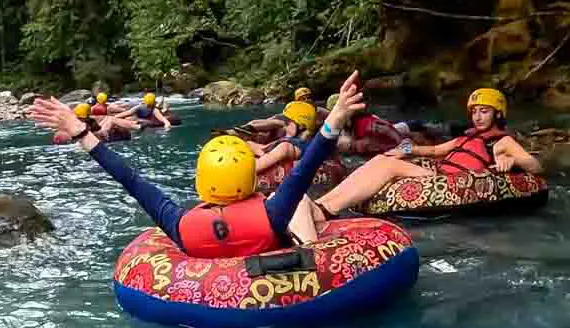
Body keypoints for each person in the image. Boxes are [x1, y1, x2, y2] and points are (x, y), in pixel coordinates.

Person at [28, 71, 366, 256]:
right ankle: (311, 249)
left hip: (208, 303)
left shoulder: (180, 226)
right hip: (284, 280)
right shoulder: (274, 213)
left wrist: (78, 132)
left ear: (202, 180)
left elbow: (128, 178)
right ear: (250, 181)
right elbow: (309, 163)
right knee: (302, 199)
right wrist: (335, 118)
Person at [313, 87, 542, 219]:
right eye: (475, 112)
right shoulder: (467, 136)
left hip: (452, 182)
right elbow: (433, 150)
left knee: (389, 166)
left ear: (498, 115)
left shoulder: (502, 141)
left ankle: (330, 209)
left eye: (484, 112)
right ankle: (324, 202)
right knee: (385, 158)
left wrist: (511, 160)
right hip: (439, 174)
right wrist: (403, 149)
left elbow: (536, 167)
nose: (478, 117)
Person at [251, 102, 319, 174]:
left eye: (286, 122)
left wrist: (249, 145)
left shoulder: (286, 147)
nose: (283, 126)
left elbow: (253, 168)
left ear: (301, 126)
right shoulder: (309, 142)